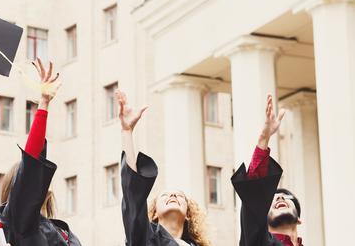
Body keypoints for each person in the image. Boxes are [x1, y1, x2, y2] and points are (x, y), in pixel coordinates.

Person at [0, 58, 81, 246]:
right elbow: (31, 164)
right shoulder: (19, 223)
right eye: (28, 179)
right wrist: (43, 105)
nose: (38, 181)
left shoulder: (62, 230)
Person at [116, 90, 210, 246]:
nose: (173, 195)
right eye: (164, 195)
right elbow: (133, 197)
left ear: (188, 214)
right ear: (154, 214)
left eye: (180, 196)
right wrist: (127, 132)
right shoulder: (145, 239)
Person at [231, 94, 303, 246]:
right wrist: (264, 138)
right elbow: (254, 194)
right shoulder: (255, 241)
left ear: (298, 219)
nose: (280, 198)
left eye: (287, 198)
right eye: (272, 199)